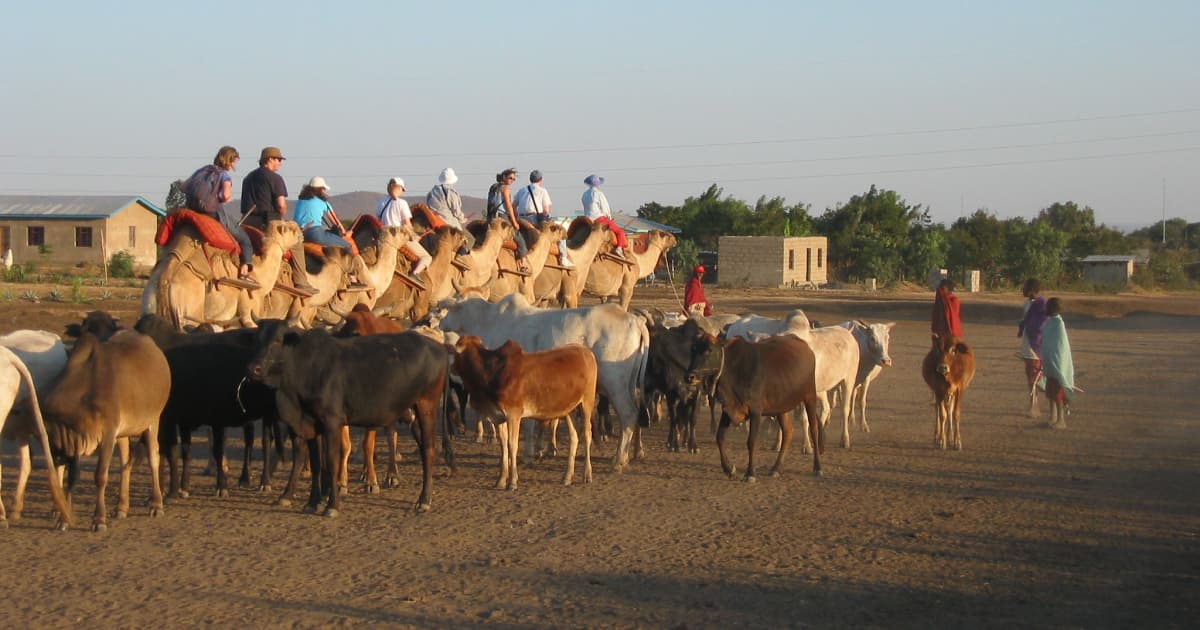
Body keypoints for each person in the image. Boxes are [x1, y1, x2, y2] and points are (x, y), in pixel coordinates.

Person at [239, 146, 317, 294]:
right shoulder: (275, 178)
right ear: (269, 159)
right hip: (269, 223)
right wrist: (283, 218)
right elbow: (281, 205)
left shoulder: (247, 178)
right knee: (297, 241)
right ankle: (301, 281)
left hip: (247, 222)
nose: (280, 163)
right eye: (279, 159)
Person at [184, 146, 256, 285]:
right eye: (234, 162)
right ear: (229, 160)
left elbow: (185, 186)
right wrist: (224, 199)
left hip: (192, 210)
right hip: (211, 213)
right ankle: (245, 269)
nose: (234, 165)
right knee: (245, 239)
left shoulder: (202, 170)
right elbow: (225, 195)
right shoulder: (224, 176)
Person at [375, 177, 433, 277]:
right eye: (402, 189)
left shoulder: (380, 202)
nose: (402, 192)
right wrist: (414, 236)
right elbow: (407, 223)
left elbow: (378, 221)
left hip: (382, 236)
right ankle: (415, 274)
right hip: (397, 237)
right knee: (426, 257)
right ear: (398, 188)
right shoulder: (402, 203)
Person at [514, 170, 573, 268]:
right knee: (561, 233)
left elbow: (513, 206)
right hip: (534, 219)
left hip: (520, 219)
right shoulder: (542, 191)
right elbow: (546, 210)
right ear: (540, 180)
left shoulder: (521, 190)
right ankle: (563, 257)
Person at [1038, 297, 1077, 428]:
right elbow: (1047, 342)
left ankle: (1061, 420)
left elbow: (1060, 348)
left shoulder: (1059, 324)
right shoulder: (1050, 323)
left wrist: (1056, 363)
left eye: (1048, 307)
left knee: (1057, 395)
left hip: (1056, 365)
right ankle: (1052, 416)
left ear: (1053, 309)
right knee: (1050, 393)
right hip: (1050, 364)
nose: (1045, 309)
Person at [486, 168, 530, 272]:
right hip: (502, 218)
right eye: (510, 178)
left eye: (513, 179)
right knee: (520, 240)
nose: (511, 181)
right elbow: (509, 206)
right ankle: (523, 264)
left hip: (491, 218)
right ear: (504, 176)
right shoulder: (505, 188)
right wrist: (514, 222)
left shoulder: (493, 187)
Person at [293, 177, 353, 250]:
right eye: (324, 189)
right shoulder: (323, 202)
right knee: (348, 246)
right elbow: (335, 222)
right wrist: (345, 234)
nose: (325, 192)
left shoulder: (300, 201)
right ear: (321, 190)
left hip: (296, 233)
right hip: (314, 233)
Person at [1018, 278, 1049, 416]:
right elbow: (1026, 320)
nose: (1022, 290)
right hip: (1027, 345)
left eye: (1024, 287)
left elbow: (1043, 323)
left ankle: (1034, 407)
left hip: (1034, 347)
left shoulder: (1041, 304)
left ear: (1031, 290)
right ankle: (1034, 404)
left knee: (1034, 378)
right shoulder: (1028, 304)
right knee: (1032, 378)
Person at [581, 174, 629, 260]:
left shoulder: (584, 194)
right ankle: (619, 248)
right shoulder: (599, 193)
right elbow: (605, 209)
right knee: (620, 231)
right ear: (598, 184)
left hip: (587, 219)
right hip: (599, 219)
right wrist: (610, 219)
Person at [425, 167, 474, 251]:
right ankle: (460, 257)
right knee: (470, 239)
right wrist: (463, 219)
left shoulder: (432, 192)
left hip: (433, 222)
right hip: (448, 223)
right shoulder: (451, 192)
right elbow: (456, 211)